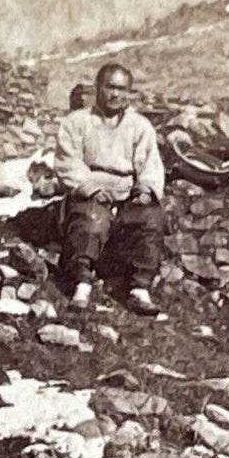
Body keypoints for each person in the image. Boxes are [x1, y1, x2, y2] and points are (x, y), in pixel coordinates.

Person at [54, 62, 165, 315]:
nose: (115, 94)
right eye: (109, 87)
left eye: (122, 89)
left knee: (150, 218)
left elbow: (150, 164)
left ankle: (140, 288)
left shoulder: (140, 126)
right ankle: (81, 283)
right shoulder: (77, 122)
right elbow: (67, 161)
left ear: (129, 93)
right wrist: (91, 187)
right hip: (90, 191)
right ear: (97, 88)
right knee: (91, 219)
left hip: (126, 192)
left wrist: (145, 190)